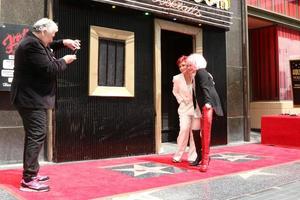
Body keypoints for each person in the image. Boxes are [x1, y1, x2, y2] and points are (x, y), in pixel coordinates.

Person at [10, 18, 80, 192]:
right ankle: (28, 180)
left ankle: (31, 173)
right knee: (36, 134)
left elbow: (50, 47)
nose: (54, 36)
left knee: (35, 135)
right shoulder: (31, 46)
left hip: (32, 98)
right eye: (53, 33)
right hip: (30, 99)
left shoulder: (35, 42)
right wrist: (64, 60)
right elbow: (50, 68)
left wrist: (64, 42)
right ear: (42, 31)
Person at [186, 53, 223, 172]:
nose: (188, 67)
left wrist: (207, 103)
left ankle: (205, 160)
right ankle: (199, 156)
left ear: (196, 64)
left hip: (206, 106)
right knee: (195, 130)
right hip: (199, 107)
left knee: (206, 133)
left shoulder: (201, 72)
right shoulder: (195, 75)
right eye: (187, 65)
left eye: (189, 65)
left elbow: (206, 88)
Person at [172, 55, 202, 165]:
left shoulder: (196, 76)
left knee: (194, 133)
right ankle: (178, 154)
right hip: (184, 108)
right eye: (180, 66)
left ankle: (192, 156)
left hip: (196, 108)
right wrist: (181, 100)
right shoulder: (177, 78)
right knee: (184, 130)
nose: (182, 67)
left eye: (184, 65)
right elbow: (175, 91)